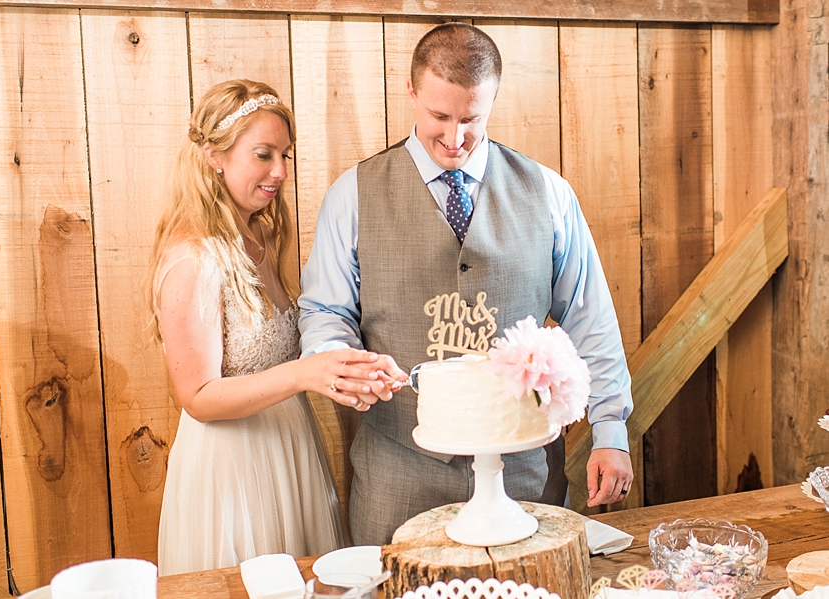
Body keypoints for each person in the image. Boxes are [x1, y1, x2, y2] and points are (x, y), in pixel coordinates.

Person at [299, 23, 634, 546]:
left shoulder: (548, 192)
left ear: (492, 101)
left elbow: (590, 317)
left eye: (471, 119)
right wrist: (340, 360)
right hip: (398, 474)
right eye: (439, 116)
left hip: (526, 478)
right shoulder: (352, 195)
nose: (454, 138)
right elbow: (325, 310)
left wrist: (611, 430)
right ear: (411, 92)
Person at [149, 80, 398, 575]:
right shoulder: (193, 258)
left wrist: (353, 365)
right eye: (263, 154)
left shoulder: (260, 234)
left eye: (285, 155)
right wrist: (304, 375)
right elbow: (197, 395)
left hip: (290, 447)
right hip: (234, 468)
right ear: (213, 156)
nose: (280, 172)